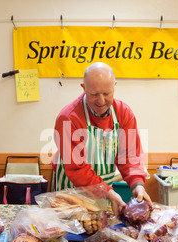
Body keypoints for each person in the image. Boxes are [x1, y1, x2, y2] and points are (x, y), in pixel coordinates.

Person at [53, 62, 152, 215]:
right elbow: (77, 169)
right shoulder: (68, 118)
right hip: (70, 194)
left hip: (104, 191)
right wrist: (108, 192)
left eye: (106, 93)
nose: (101, 101)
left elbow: (130, 155)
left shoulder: (123, 113)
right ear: (83, 88)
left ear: (114, 86)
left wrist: (137, 184)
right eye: (94, 94)